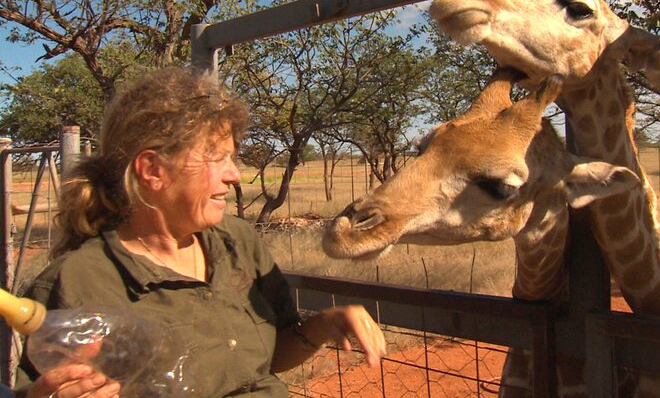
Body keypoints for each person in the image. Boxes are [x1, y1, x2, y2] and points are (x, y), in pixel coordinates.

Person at [14, 67, 386, 398]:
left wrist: (324, 325)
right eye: (216, 156)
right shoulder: (78, 281)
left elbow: (267, 358)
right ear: (153, 170)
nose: (234, 174)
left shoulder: (239, 242)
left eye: (232, 156)